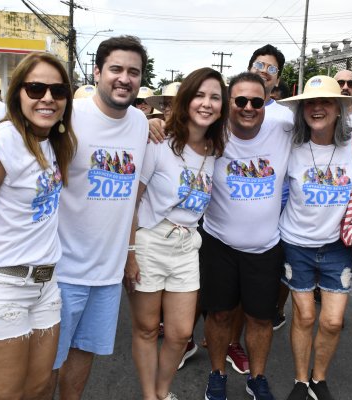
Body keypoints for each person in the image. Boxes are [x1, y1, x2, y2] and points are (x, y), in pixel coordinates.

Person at [48, 35, 149, 400]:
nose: (124, 78)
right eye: (116, 69)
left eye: (133, 72)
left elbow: (134, 196)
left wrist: (130, 252)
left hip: (107, 274)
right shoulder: (69, 117)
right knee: (47, 363)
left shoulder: (141, 123)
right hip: (61, 270)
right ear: (97, 72)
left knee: (84, 350)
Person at [125, 67, 229, 400]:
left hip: (187, 246)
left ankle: (162, 390)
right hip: (150, 241)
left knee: (181, 331)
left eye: (215, 97)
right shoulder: (159, 142)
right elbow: (133, 200)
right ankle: (151, 396)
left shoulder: (215, 151)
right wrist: (129, 253)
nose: (206, 103)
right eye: (199, 95)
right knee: (145, 328)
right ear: (185, 99)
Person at [278, 75, 352, 400]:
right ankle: (300, 380)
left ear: (339, 109)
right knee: (305, 316)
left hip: (338, 247)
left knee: (333, 321)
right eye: (311, 103)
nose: (317, 108)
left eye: (326, 103)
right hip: (296, 244)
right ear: (303, 109)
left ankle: (319, 379)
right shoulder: (289, 144)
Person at [0, 51, 77, 399]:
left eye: (57, 91)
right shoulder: (4, 142)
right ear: (18, 93)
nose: (47, 98)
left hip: (46, 286)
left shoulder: (54, 140)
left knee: (39, 388)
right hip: (3, 287)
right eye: (36, 88)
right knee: (5, 393)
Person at [202, 72, 292, 400]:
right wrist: (154, 123)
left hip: (266, 246)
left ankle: (257, 378)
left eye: (257, 101)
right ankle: (217, 374)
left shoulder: (284, 128)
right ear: (229, 103)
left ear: (267, 101)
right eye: (241, 101)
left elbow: (326, 127)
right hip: (219, 242)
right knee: (220, 313)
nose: (249, 107)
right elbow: (173, 130)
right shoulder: (212, 133)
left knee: (260, 317)